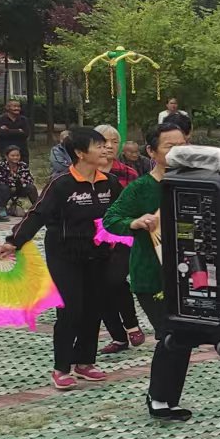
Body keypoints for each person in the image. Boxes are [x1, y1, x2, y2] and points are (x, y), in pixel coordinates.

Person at [0, 127, 119, 390]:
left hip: (98, 254)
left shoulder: (110, 182)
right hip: (64, 255)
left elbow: (120, 214)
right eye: (99, 145)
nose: (105, 149)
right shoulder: (61, 183)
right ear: (80, 152)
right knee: (71, 309)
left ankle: (85, 362)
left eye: (107, 145)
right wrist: (13, 242)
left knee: (93, 308)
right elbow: (37, 214)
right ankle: (61, 367)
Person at [102, 121, 195, 420]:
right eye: (170, 146)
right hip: (151, 276)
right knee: (170, 334)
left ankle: (169, 399)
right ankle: (158, 399)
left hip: (188, 274)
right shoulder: (142, 187)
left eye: (182, 144)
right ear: (152, 151)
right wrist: (136, 222)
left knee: (184, 336)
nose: (178, 151)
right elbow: (111, 219)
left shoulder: (194, 182)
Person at [95, 124, 142, 354]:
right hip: (92, 239)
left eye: (115, 141)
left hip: (123, 235)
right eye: (105, 141)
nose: (110, 146)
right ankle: (119, 336)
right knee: (100, 286)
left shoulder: (128, 173)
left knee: (114, 279)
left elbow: (135, 206)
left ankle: (132, 324)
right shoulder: (83, 172)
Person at [0, 146, 38, 221]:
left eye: (17, 155)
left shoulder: (23, 165)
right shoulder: (1, 165)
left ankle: (37, 208)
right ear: (7, 156)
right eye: (12, 156)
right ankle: (1, 210)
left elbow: (29, 179)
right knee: (3, 187)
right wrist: (15, 180)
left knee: (31, 187)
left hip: (19, 187)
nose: (15, 157)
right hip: (4, 189)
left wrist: (19, 181)